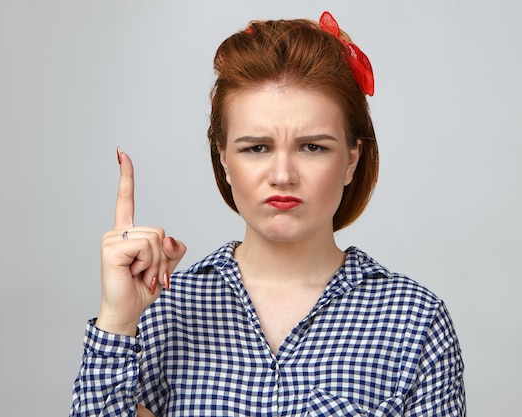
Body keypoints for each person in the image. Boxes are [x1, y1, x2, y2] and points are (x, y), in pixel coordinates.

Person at [70, 11, 465, 416]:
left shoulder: (414, 320)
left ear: (351, 159)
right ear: (223, 158)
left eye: (313, 147)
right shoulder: (160, 310)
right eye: (256, 148)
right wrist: (118, 321)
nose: (282, 176)